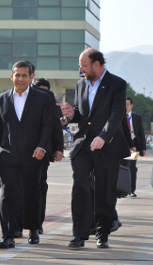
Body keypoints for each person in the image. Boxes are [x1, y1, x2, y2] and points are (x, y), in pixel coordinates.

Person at [57, 48, 129, 248]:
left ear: (96, 64)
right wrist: (72, 114)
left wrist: (103, 137)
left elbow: (116, 116)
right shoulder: (81, 84)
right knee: (80, 187)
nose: (80, 69)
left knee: (104, 192)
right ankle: (78, 235)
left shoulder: (117, 84)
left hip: (107, 146)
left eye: (83, 65)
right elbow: (82, 114)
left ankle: (102, 233)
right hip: (83, 146)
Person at [0, 61, 53, 249]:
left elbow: (47, 125)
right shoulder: (1, 99)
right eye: (17, 75)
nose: (20, 79)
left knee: (32, 193)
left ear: (31, 77)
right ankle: (8, 235)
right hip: (8, 155)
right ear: (12, 77)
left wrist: (42, 147)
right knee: (7, 195)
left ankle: (34, 229)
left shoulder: (42, 98)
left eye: (24, 75)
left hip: (34, 155)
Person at [32, 77, 65, 234]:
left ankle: (37, 222)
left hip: (43, 150)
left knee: (39, 186)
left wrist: (58, 148)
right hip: (21, 150)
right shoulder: (22, 96)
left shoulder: (50, 99)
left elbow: (55, 123)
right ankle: (17, 225)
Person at [124, 97, 146, 197]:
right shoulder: (119, 117)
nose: (126, 106)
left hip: (134, 147)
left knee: (132, 168)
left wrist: (143, 148)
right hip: (122, 146)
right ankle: (121, 189)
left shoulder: (137, 118)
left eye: (128, 104)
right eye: (124, 104)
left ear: (131, 105)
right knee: (122, 167)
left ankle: (132, 190)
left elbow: (141, 134)